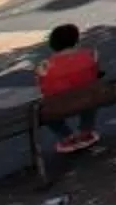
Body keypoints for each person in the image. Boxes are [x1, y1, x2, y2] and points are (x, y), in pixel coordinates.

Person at [36, 24, 104, 154]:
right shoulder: (91, 55)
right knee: (89, 93)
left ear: (53, 43)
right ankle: (86, 131)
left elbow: (43, 89)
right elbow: (96, 75)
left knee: (44, 110)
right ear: (75, 40)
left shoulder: (45, 66)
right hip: (89, 99)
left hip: (59, 106)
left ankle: (66, 137)